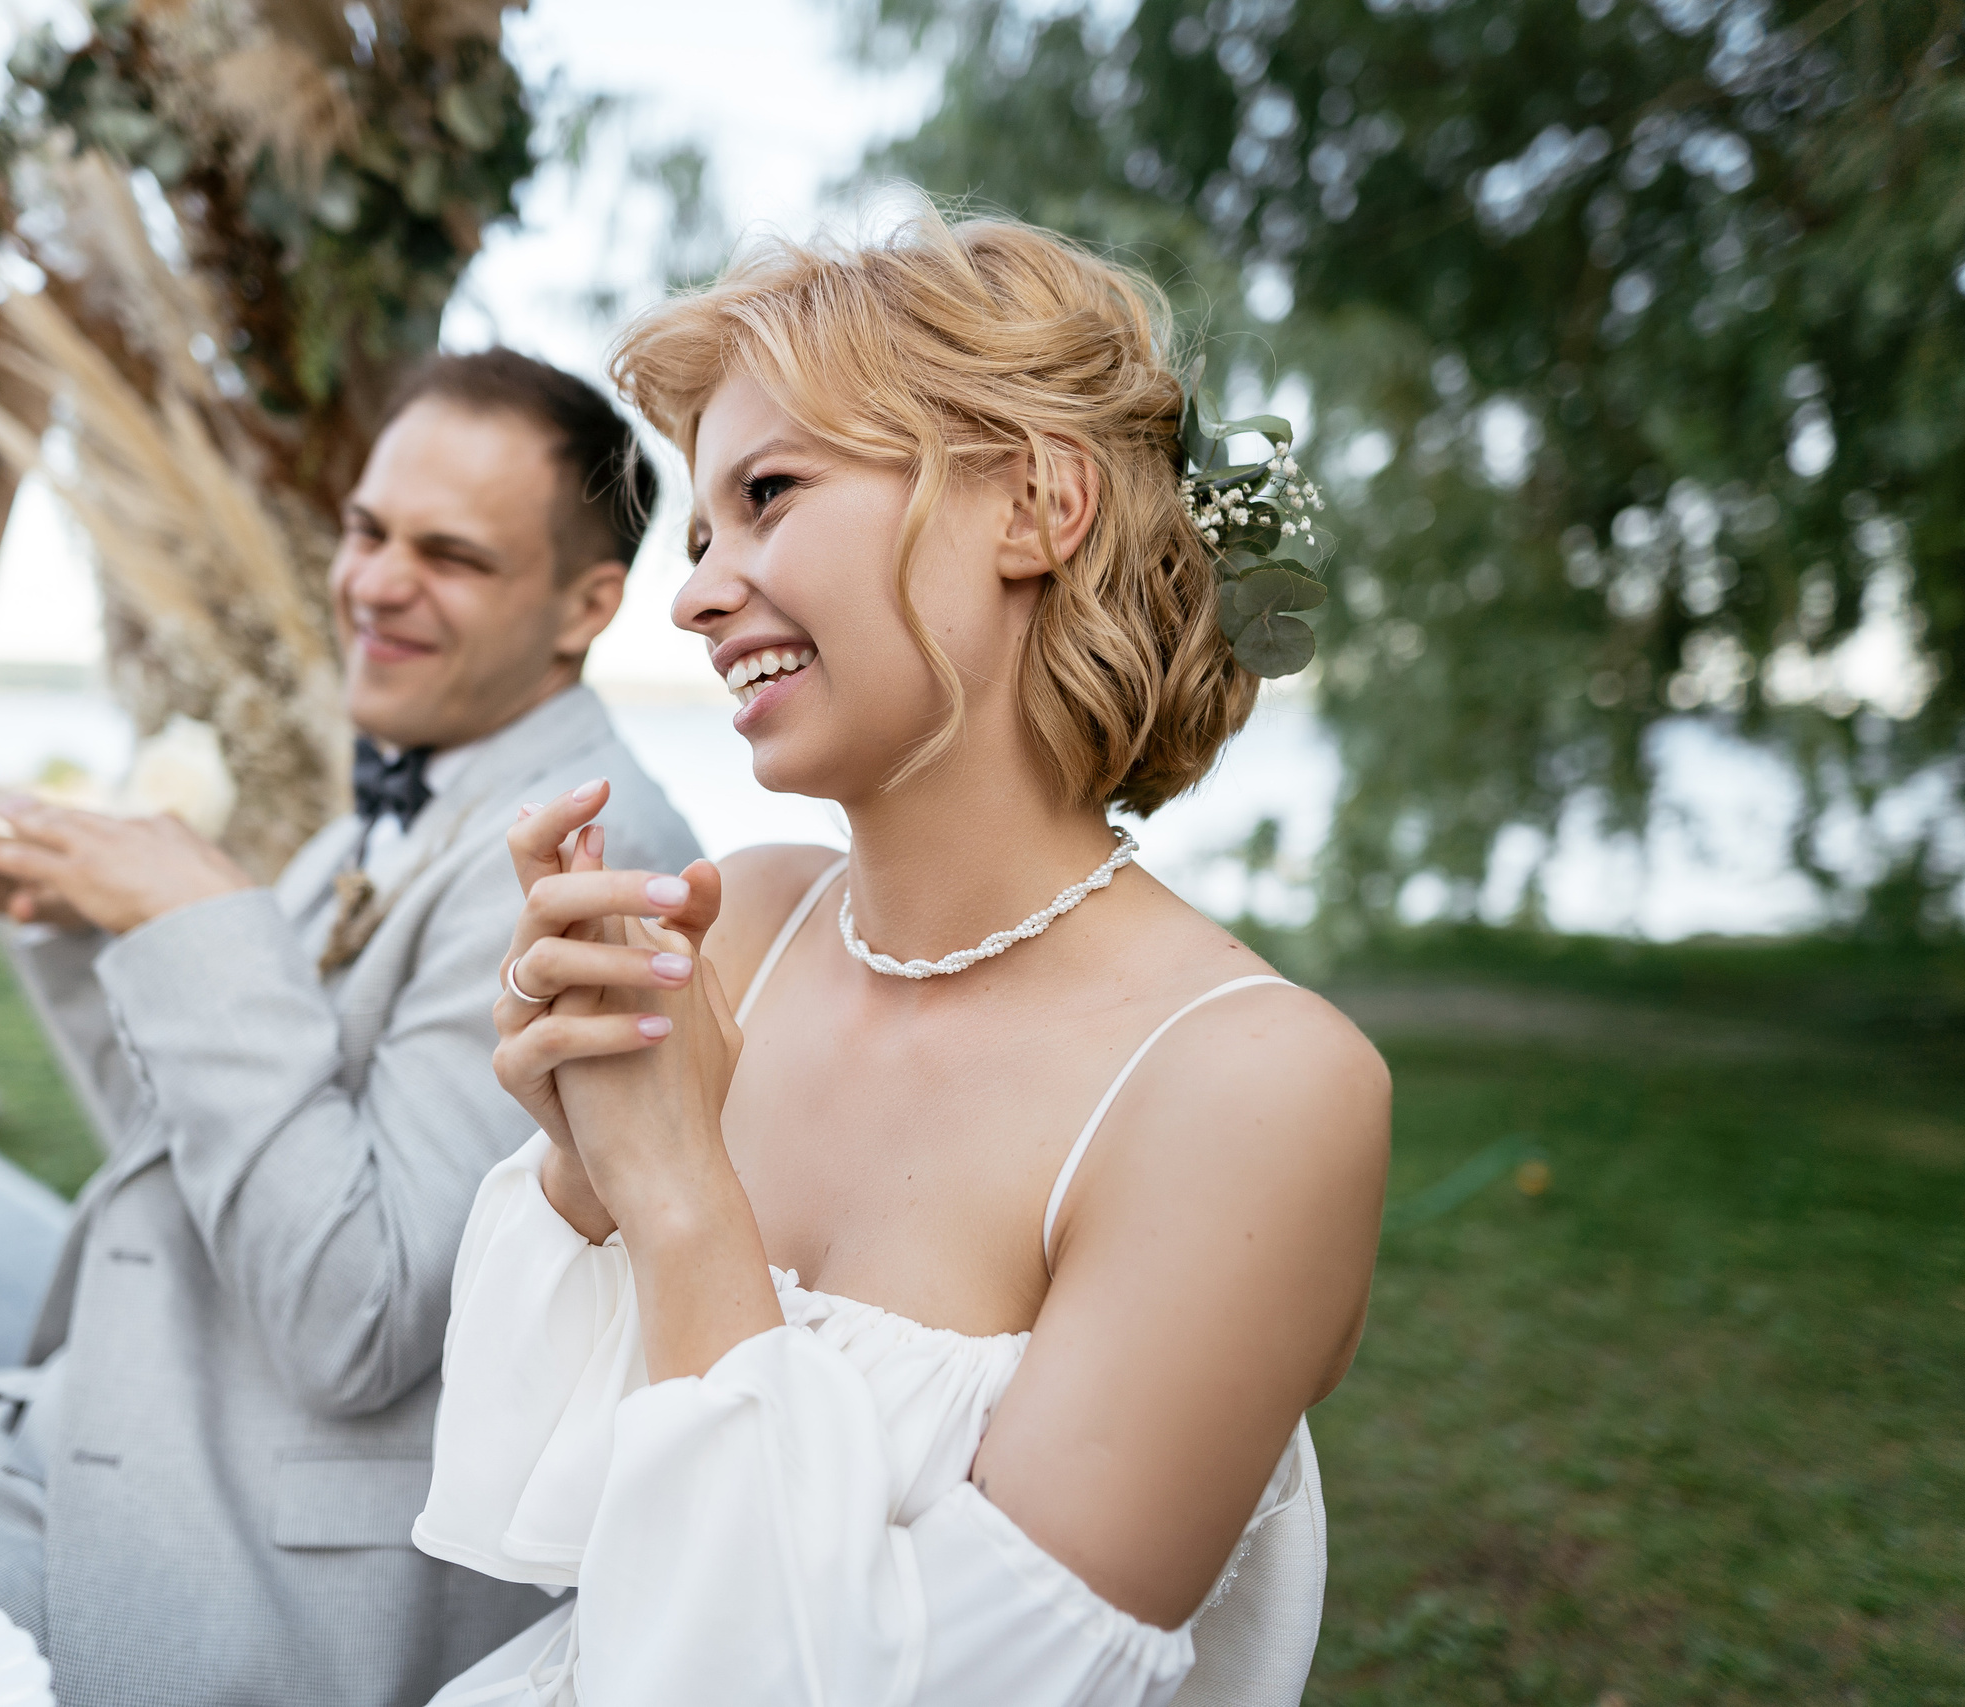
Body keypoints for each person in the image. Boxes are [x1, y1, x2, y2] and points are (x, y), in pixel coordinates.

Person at [411, 213, 1392, 1705]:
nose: (694, 591)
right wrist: (579, 1161)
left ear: (1035, 503)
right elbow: (542, 1507)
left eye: (770, 494)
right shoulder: (735, 922)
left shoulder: (1253, 1088)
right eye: (698, 535)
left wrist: (681, 1199)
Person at [0, 349, 704, 1707]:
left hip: (248, 1554)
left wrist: (206, 924)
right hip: (88, 1424)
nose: (376, 581)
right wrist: (71, 917)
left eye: (448, 553)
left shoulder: (588, 848)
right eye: (366, 529)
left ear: (587, 604)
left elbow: (354, 1308)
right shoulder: (381, 815)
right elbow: (194, 1170)